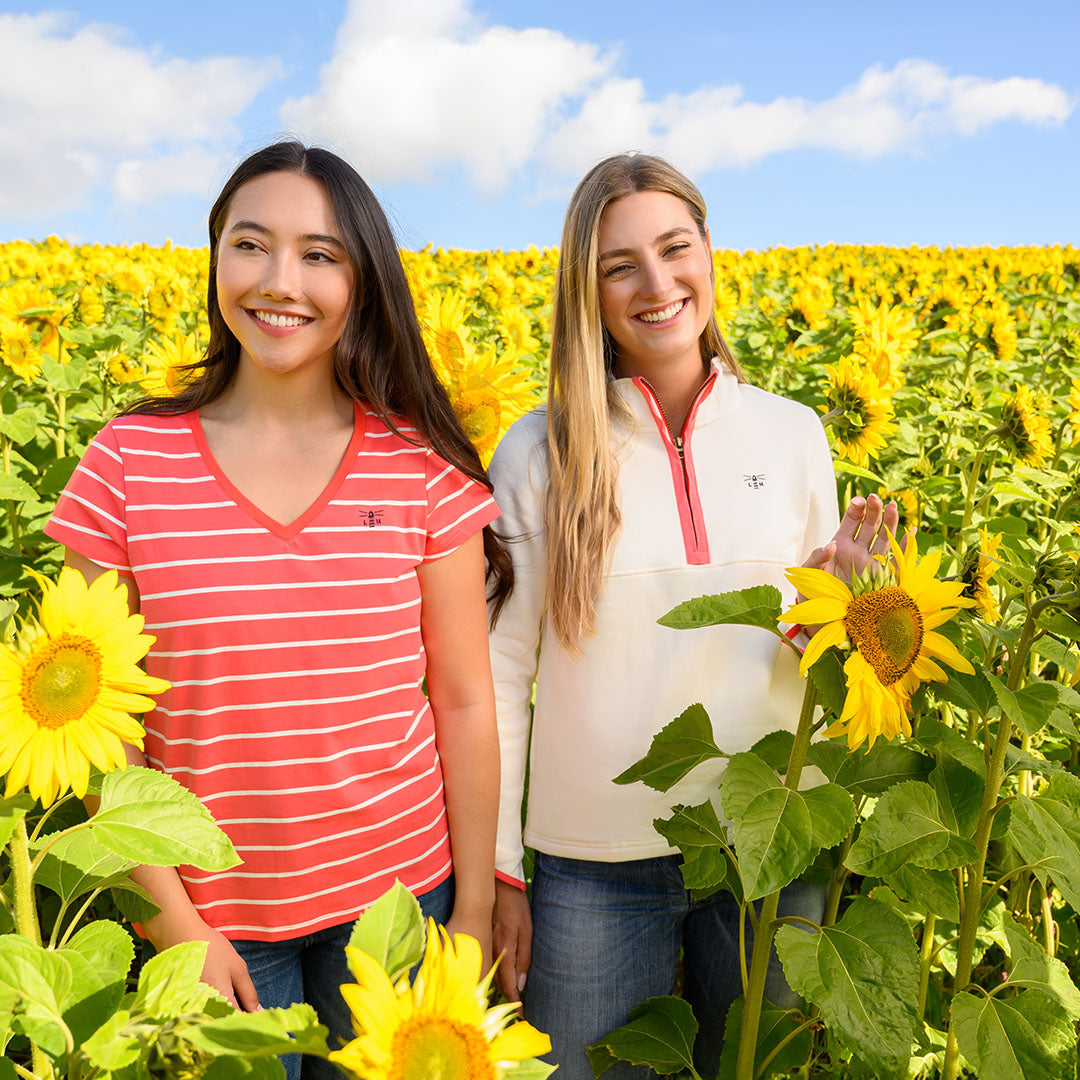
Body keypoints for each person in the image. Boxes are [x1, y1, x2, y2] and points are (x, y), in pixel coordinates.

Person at [46, 141, 507, 1080]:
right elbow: (101, 728)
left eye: (320, 255)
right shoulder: (129, 463)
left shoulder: (419, 466)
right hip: (211, 920)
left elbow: (461, 700)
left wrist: (473, 911)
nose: (279, 281)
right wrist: (173, 922)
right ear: (216, 256)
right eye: (251, 244)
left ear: (363, 279)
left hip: (398, 906)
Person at [487, 153, 899, 1079]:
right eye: (619, 265)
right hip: (594, 864)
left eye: (675, 249)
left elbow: (796, 654)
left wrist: (842, 603)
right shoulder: (538, 451)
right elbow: (503, 676)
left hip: (767, 848)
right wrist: (503, 870)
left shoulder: (793, 433)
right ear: (584, 291)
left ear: (711, 253)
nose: (657, 283)